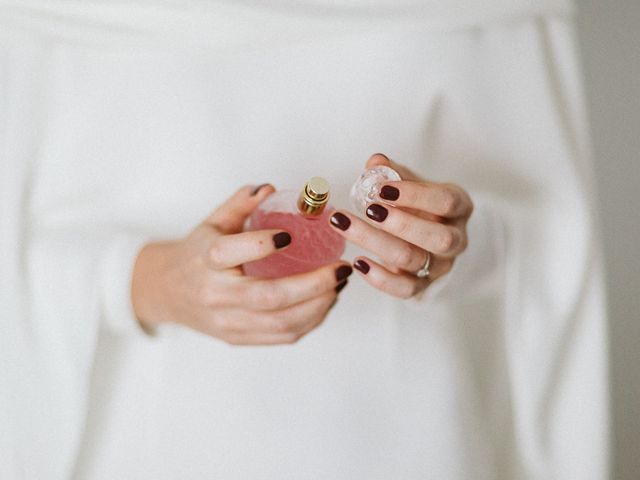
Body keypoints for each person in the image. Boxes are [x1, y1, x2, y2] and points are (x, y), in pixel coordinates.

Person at [0, 0, 609, 478]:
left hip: (406, 442)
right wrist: (154, 283)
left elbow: (556, 233)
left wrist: (448, 248)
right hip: (144, 448)